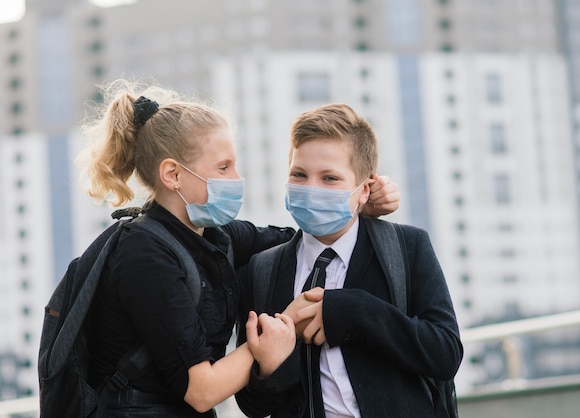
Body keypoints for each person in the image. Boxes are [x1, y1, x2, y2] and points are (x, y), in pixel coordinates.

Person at [77, 80, 400, 416]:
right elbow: (201, 390)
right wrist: (284, 327)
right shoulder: (144, 255)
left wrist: (362, 202)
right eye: (223, 168)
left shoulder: (216, 236)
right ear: (173, 175)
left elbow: (298, 240)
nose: (235, 178)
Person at [235, 103, 463, 418]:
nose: (311, 188)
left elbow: (445, 354)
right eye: (299, 174)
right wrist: (271, 366)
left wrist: (355, 310)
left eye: (330, 178)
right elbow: (253, 405)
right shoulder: (262, 271)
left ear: (364, 190)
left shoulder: (407, 247)